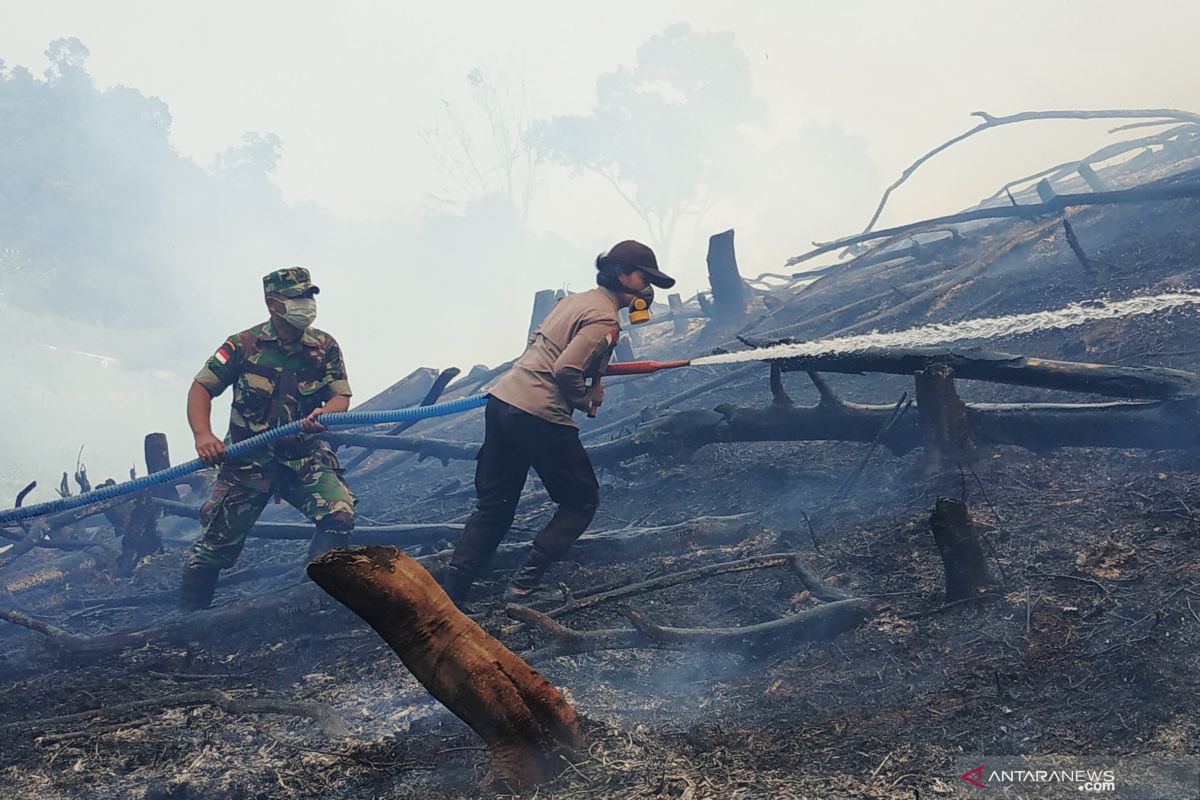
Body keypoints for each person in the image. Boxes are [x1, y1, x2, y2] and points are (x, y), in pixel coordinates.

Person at [443, 240, 675, 606]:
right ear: (621, 275)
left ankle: (450, 595)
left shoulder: (573, 301)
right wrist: (583, 399)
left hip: (503, 403)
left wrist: (593, 382)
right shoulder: (604, 318)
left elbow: (561, 353)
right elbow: (566, 367)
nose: (646, 289)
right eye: (643, 278)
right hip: (538, 411)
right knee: (581, 501)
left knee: (495, 506)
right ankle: (522, 587)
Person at [179, 267, 356, 610]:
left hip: (304, 455)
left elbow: (340, 395)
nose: (308, 303)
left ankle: (315, 597)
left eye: (310, 296)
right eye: (298, 297)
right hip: (248, 461)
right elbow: (202, 387)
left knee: (339, 513)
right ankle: (188, 622)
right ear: (274, 303)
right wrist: (203, 435)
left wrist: (327, 412)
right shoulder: (242, 345)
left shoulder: (324, 346)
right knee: (214, 547)